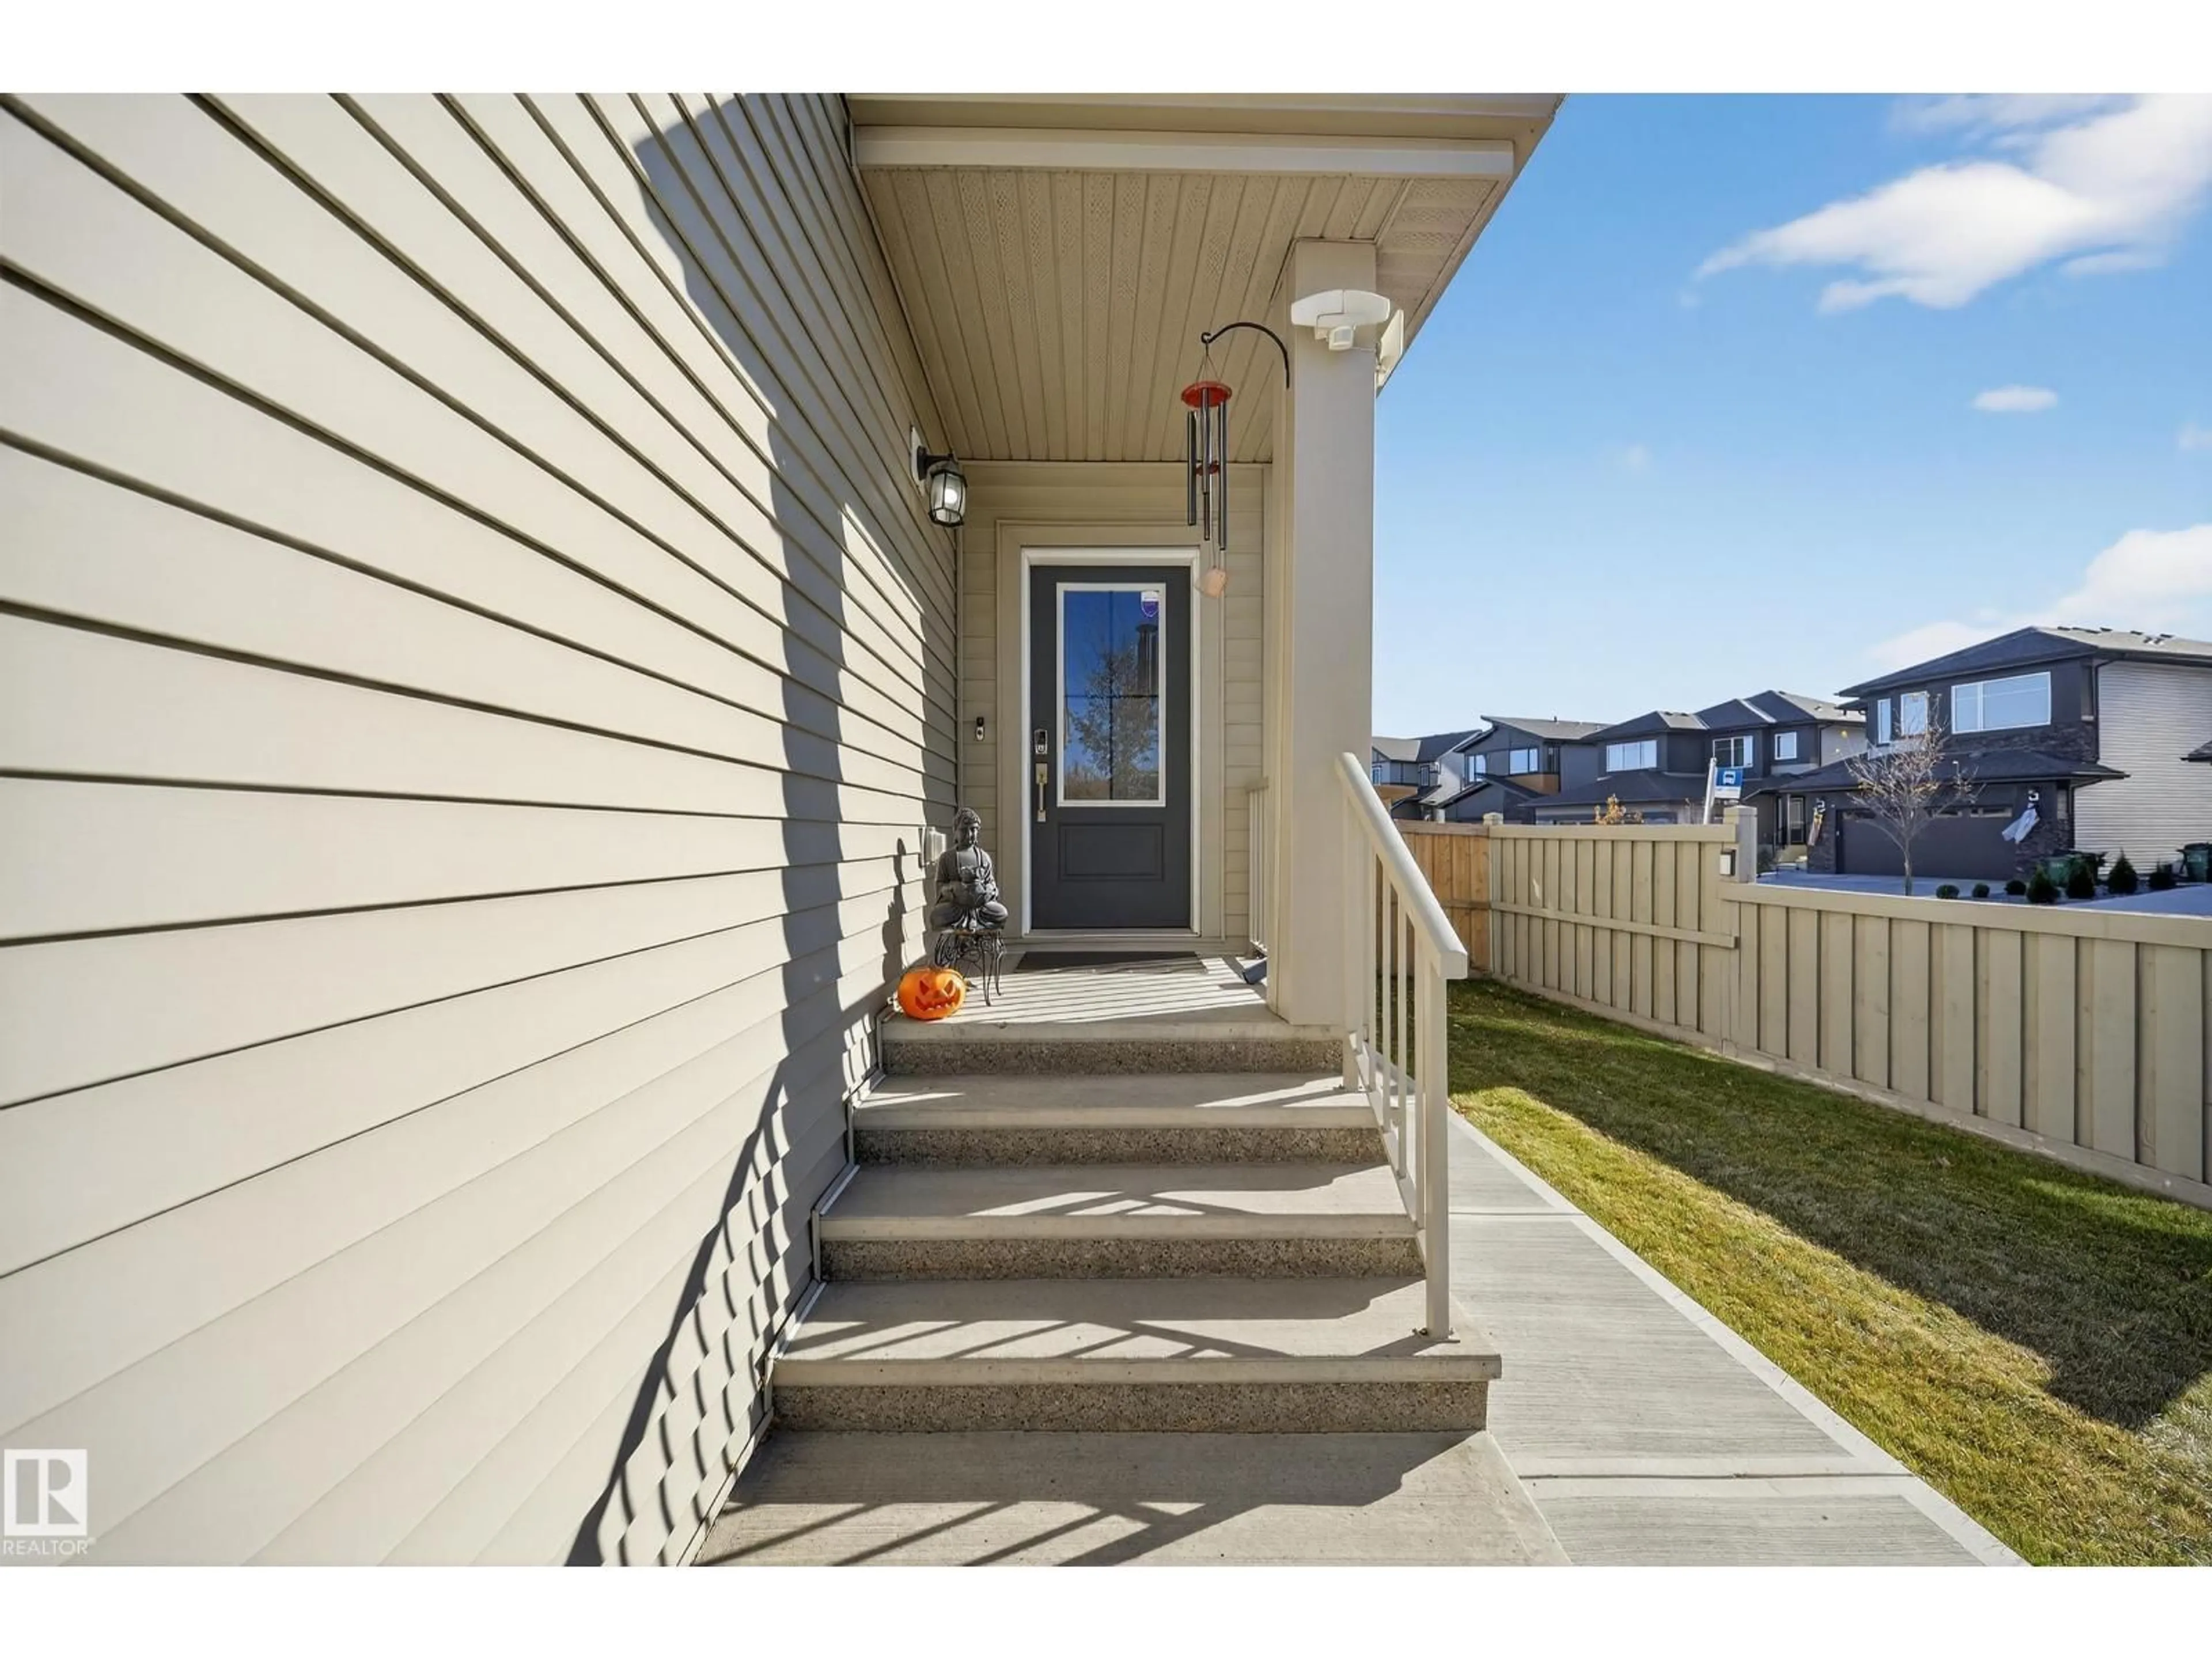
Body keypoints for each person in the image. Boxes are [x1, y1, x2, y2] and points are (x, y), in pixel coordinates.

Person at [929, 807, 1006, 930]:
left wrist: (987, 891)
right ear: (955, 831)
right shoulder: (947, 858)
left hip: (980, 906)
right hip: (956, 907)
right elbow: (940, 886)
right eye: (964, 830)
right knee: (936, 916)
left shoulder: (984, 857)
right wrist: (955, 889)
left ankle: (974, 920)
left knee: (1001, 913)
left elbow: (992, 884)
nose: (969, 834)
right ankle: (969, 921)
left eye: (973, 830)